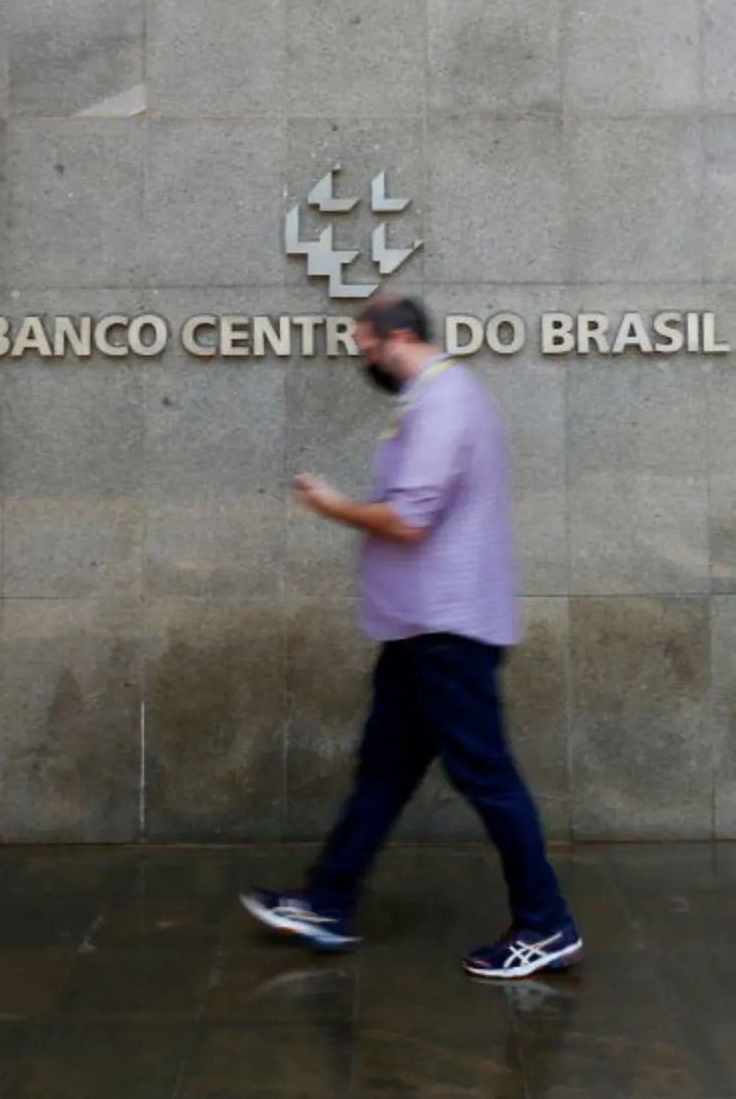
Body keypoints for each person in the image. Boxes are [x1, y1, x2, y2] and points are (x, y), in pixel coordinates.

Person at [241, 294, 583, 982]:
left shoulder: (442, 403)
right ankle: (329, 902)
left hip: (445, 628)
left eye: (366, 347)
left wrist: (329, 504)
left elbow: (407, 521)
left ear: (398, 337)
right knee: (386, 769)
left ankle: (546, 924)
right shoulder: (443, 397)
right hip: (421, 628)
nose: (363, 359)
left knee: (487, 777)